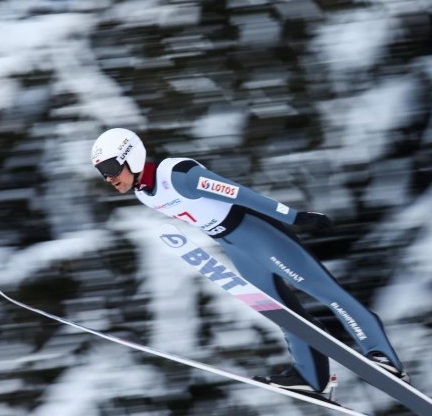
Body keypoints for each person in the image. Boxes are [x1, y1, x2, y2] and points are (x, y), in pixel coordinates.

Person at [90, 128, 409, 399]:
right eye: (103, 173)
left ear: (130, 156)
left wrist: (293, 216)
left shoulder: (178, 174)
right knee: (281, 312)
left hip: (257, 232)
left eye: (111, 168)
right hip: (233, 244)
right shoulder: (145, 194)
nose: (109, 178)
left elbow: (238, 193)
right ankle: (314, 378)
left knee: (322, 290)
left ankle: (381, 355)